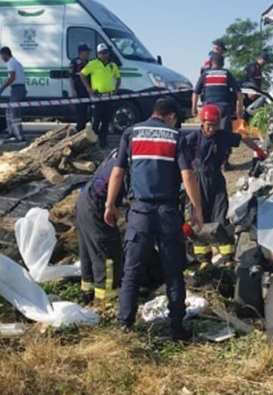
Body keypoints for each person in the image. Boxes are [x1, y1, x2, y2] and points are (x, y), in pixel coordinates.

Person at [104, 97, 204, 340]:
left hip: (139, 212)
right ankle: (177, 329)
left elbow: (117, 173)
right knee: (173, 272)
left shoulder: (131, 133)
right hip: (168, 213)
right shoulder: (175, 136)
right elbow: (188, 176)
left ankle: (125, 326)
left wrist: (110, 205)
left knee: (131, 272)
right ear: (171, 116)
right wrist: (197, 209)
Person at [185, 104, 267, 269]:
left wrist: (259, 151)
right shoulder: (192, 139)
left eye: (215, 125)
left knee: (220, 216)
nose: (212, 128)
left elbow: (242, 137)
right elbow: (178, 155)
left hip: (216, 179)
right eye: (209, 125)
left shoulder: (222, 136)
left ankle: (228, 257)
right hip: (197, 181)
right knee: (199, 221)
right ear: (202, 122)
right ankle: (204, 260)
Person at [76, 149, 125, 304]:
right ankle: (106, 300)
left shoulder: (116, 156)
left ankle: (88, 292)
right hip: (97, 205)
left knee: (88, 250)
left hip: (86, 199)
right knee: (107, 251)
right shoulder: (125, 164)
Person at [81, 43, 121, 148]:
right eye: (102, 53)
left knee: (106, 121)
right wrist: (88, 88)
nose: (104, 55)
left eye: (106, 53)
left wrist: (116, 89)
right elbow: (82, 74)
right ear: (98, 54)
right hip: (97, 97)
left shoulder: (112, 65)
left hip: (108, 97)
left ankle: (103, 143)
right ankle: (92, 144)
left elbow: (118, 77)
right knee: (96, 122)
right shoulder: (93, 64)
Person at [0, 47, 26, 142]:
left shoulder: (11, 63)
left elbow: (12, 78)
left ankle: (19, 137)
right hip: (18, 89)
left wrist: (2, 88)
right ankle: (11, 132)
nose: (2, 58)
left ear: (5, 54)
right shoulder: (15, 62)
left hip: (17, 89)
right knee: (8, 110)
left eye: (2, 56)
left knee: (14, 113)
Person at [69, 43, 92, 131]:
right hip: (79, 90)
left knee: (87, 113)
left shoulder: (89, 63)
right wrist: (73, 90)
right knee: (80, 113)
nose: (88, 54)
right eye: (87, 52)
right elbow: (71, 77)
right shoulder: (74, 62)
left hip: (87, 91)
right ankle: (79, 131)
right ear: (82, 52)